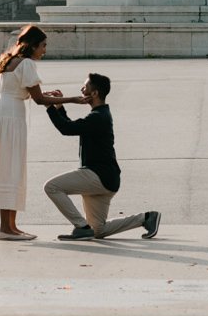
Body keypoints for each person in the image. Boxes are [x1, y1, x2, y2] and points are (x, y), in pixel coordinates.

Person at [44, 72, 161, 241]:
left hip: (97, 175)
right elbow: (71, 126)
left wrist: (49, 106)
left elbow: (66, 129)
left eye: (85, 87)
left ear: (95, 93)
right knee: (98, 230)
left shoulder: (98, 117)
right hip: (107, 179)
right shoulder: (100, 115)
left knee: (52, 187)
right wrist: (59, 106)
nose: (81, 89)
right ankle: (146, 218)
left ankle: (81, 227)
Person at [0, 24, 60, 241]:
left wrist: (50, 94)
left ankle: (10, 226)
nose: (45, 50)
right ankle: (6, 229)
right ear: (33, 45)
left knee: (7, 168)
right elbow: (38, 99)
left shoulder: (8, 60)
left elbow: (22, 91)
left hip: (0, 115)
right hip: (11, 118)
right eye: (43, 45)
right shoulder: (27, 63)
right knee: (12, 168)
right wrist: (70, 99)